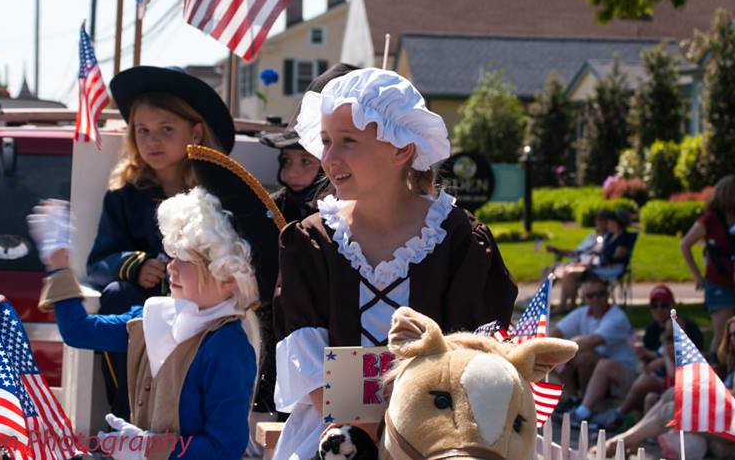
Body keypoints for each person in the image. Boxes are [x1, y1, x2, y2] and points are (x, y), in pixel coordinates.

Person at [272, 68, 518, 460]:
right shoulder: (311, 241)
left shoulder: (458, 239)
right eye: (326, 142)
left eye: (348, 142)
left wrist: (409, 426)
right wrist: (360, 429)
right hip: (334, 433)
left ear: (401, 149)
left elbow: (475, 349)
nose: (329, 158)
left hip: (438, 433)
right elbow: (303, 353)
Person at [30, 189, 259, 460]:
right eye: (171, 256)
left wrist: (147, 447)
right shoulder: (153, 317)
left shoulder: (228, 347)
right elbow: (79, 331)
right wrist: (58, 262)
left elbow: (224, 449)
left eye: (185, 260)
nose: (171, 268)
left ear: (227, 277)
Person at [86, 65, 236, 418]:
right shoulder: (125, 195)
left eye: (166, 129)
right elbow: (98, 263)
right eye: (143, 131)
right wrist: (135, 266)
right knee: (116, 297)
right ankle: (124, 412)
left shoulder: (219, 190)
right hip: (149, 307)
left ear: (195, 132)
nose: (152, 141)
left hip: (204, 308)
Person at [605, 313, 735, 459]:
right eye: (730, 335)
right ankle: (630, 438)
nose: (732, 339)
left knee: (673, 409)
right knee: (673, 392)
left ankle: (620, 441)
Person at [259, 64, 359, 224]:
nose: (292, 173)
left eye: (306, 161)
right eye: (286, 160)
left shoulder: (356, 217)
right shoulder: (273, 209)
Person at [592, 286, 702, 430]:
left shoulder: (687, 328)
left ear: (673, 305)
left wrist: (659, 358)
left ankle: (620, 414)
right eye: (654, 306)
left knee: (646, 382)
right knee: (608, 367)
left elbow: (686, 363)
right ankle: (588, 411)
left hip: (678, 381)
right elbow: (649, 366)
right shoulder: (652, 330)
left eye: (664, 305)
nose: (659, 310)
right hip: (658, 379)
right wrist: (645, 356)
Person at [679, 175, 735, 355]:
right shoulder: (710, 220)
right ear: (728, 195)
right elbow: (685, 245)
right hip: (720, 282)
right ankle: (717, 373)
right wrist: (698, 276)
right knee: (723, 334)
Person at [551, 273, 638, 425]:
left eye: (601, 294)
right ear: (585, 298)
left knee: (585, 357)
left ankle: (584, 409)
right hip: (599, 369)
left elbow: (592, 341)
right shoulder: (582, 313)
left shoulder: (617, 316)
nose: (596, 299)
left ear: (608, 295)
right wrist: (552, 350)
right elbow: (556, 333)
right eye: (591, 296)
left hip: (622, 373)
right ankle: (574, 399)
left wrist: (562, 350)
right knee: (549, 353)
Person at [557, 209, 635, 312]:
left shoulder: (623, 237)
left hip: (612, 268)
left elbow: (617, 257)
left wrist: (597, 263)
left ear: (617, 223)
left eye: (610, 221)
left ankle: (571, 306)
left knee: (571, 274)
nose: (608, 224)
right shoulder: (610, 236)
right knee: (568, 272)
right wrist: (593, 258)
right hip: (601, 266)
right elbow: (602, 254)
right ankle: (563, 306)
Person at [546, 209, 612, 311]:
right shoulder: (592, 236)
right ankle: (543, 301)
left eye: (602, 220)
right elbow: (578, 252)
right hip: (579, 262)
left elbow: (599, 257)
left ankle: (568, 305)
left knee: (569, 273)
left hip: (592, 267)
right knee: (550, 270)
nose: (599, 223)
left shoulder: (608, 238)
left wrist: (583, 262)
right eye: (598, 220)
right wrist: (558, 250)